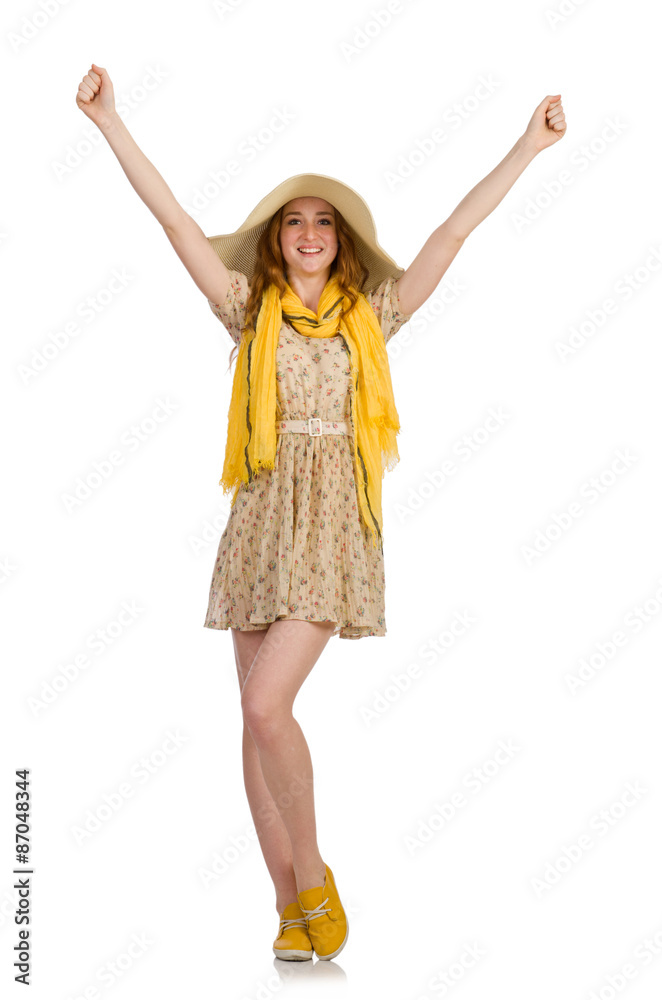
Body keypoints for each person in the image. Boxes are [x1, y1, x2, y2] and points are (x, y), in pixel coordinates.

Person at [75, 63, 566, 962]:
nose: (307, 232)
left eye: (322, 221)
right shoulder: (247, 312)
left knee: (269, 706)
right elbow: (177, 221)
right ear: (275, 242)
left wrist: (527, 147)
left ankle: (314, 875)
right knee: (252, 724)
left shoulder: (372, 319)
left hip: (333, 527)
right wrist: (111, 123)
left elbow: (453, 232)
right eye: (293, 221)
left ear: (341, 242)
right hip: (260, 521)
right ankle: (288, 915)